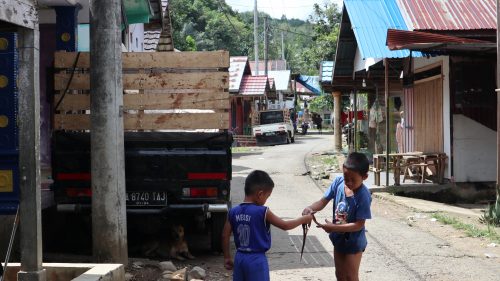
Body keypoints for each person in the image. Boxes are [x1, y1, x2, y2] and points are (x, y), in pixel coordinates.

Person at [222, 170, 313, 281]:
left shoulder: (233, 211)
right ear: (260, 194)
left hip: (239, 258)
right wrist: (305, 219)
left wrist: (227, 257)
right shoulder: (262, 211)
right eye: (267, 196)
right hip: (256, 260)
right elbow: (285, 225)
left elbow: (225, 235)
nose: (266, 200)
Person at [302, 152, 372, 281]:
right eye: (346, 178)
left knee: (351, 276)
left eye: (353, 179)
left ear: (365, 177)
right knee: (340, 274)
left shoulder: (363, 195)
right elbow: (322, 201)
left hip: (354, 241)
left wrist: (334, 227)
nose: (348, 182)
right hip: (338, 239)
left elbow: (359, 225)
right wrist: (310, 208)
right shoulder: (338, 182)